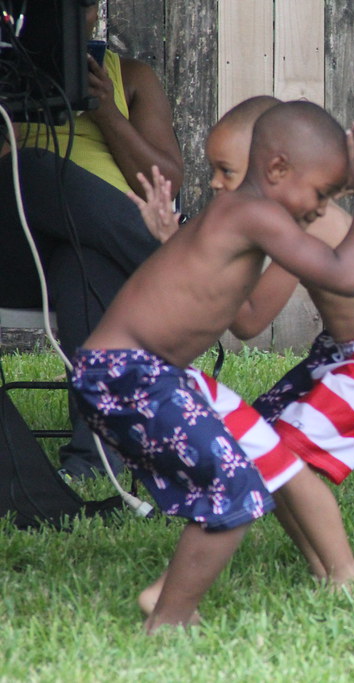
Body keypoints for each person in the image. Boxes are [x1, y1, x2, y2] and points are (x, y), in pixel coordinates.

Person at [68, 101, 354, 633]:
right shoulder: (255, 213)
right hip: (131, 375)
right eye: (321, 194)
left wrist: (168, 237)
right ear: (279, 170)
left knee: (232, 482)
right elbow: (348, 274)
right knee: (233, 490)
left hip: (130, 375)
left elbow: (222, 300)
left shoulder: (234, 220)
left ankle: (173, 608)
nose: (320, 209)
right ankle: (168, 620)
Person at [134, 96, 354, 593]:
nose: (214, 183)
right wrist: (172, 242)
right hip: (339, 353)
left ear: (274, 166)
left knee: (284, 457)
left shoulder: (302, 220)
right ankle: (324, 569)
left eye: (225, 170)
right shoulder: (277, 219)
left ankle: (346, 576)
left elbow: (249, 320)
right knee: (264, 451)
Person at [0, 2, 183, 479]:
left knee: (82, 264)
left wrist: (107, 114)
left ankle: (93, 460)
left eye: (82, 5)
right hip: (15, 253)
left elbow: (167, 185)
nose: (73, 16)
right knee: (35, 166)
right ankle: (179, 267)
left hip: (96, 253)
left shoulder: (132, 77)